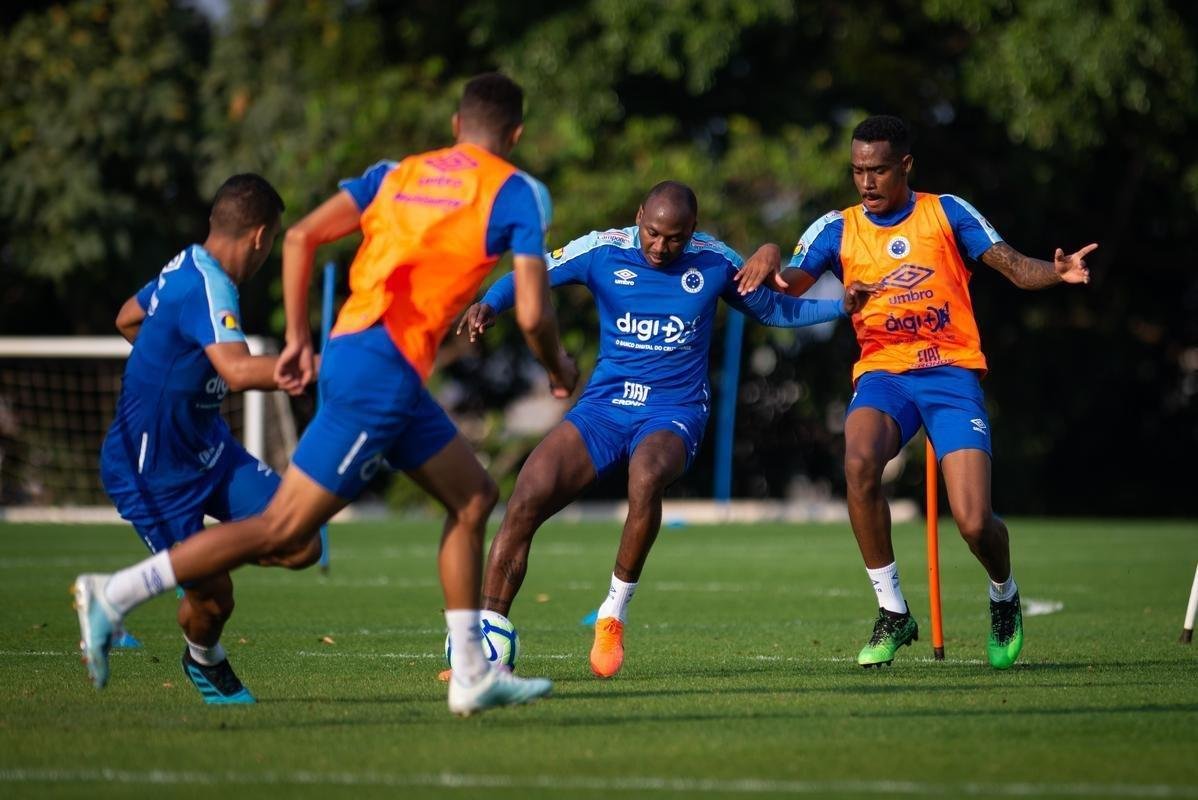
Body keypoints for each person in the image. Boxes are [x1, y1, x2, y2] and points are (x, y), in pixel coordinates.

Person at [74, 72, 578, 716]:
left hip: (359, 354)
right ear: (515, 134)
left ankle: (472, 672)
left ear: (455, 127)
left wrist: (298, 336)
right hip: (381, 374)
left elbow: (299, 236)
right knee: (285, 528)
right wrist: (557, 364)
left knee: (475, 496)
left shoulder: (397, 173)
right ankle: (114, 592)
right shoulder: (517, 193)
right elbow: (533, 314)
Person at [456, 181, 877, 678]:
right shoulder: (602, 250)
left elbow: (775, 309)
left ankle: (613, 613)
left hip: (673, 412)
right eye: (652, 233)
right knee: (526, 495)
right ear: (638, 216)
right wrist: (489, 304)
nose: (660, 247)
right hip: (604, 410)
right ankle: (485, 645)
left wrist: (840, 307)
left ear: (692, 231)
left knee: (646, 475)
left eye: (674, 238)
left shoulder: (715, 262)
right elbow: (533, 274)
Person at [734, 114, 1095, 670]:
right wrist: (767, 251)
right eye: (857, 171)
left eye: (878, 170)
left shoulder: (945, 212)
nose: (866, 183)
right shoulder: (836, 228)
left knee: (974, 521)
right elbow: (785, 291)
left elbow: (1018, 269)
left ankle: (1003, 592)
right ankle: (893, 611)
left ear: (905, 166)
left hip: (951, 374)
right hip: (883, 373)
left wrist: (1058, 271)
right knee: (858, 463)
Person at [89, 173, 312, 705]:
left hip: (207, 446)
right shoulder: (209, 283)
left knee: (302, 540)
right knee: (214, 598)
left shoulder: (184, 264)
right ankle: (204, 661)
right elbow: (236, 372)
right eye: (274, 241)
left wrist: (175, 373)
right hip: (152, 467)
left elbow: (127, 319)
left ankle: (131, 584)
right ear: (261, 237)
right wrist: (327, 367)